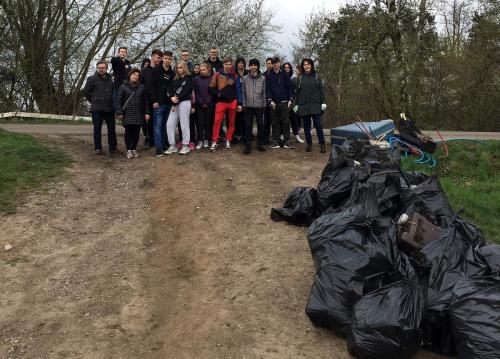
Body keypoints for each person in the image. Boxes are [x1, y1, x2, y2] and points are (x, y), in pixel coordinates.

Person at [83, 60, 118, 155]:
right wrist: (94, 100)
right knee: (97, 129)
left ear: (106, 68)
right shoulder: (92, 78)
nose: (101, 69)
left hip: (109, 108)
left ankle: (113, 148)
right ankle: (98, 148)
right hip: (97, 109)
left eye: (103, 67)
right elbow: (86, 92)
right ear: (97, 68)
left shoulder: (111, 79)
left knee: (111, 129)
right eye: (99, 68)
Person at [209, 57, 243, 152]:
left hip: (232, 102)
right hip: (221, 102)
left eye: (229, 64)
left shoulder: (235, 76)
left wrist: (239, 103)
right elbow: (211, 87)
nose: (228, 65)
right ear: (223, 64)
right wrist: (218, 94)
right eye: (226, 64)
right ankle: (215, 141)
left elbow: (238, 90)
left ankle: (228, 139)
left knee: (231, 123)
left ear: (232, 65)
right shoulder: (217, 74)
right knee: (217, 122)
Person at [294, 58, 327, 153]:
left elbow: (321, 91)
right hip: (304, 106)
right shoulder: (300, 78)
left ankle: (322, 144)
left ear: (311, 65)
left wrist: (323, 102)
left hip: (315, 105)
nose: (306, 66)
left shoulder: (317, 77)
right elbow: (298, 93)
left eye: (308, 64)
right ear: (302, 67)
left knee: (318, 125)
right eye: (304, 65)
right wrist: (296, 104)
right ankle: (309, 144)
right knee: (307, 127)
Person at [116, 69, 150, 158]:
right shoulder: (123, 86)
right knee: (128, 132)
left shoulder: (142, 87)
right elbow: (118, 100)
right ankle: (129, 150)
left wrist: (147, 112)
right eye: (134, 74)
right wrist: (119, 112)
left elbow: (146, 101)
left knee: (136, 133)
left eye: (137, 75)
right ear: (130, 75)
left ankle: (134, 149)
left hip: (139, 114)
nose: (135, 76)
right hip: (127, 114)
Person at [165, 61, 194, 155]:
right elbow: (169, 89)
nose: (179, 69)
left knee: (184, 124)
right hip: (175, 103)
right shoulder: (174, 78)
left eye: (181, 67)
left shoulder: (188, 78)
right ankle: (172, 145)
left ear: (184, 68)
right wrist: (171, 98)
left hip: (184, 103)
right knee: (169, 124)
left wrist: (175, 101)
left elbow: (184, 91)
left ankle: (185, 145)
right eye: (177, 68)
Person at [266, 56, 294, 149]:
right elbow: (268, 89)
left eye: (277, 62)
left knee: (286, 122)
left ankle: (287, 141)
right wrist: (270, 100)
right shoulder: (269, 75)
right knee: (275, 122)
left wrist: (291, 99)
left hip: (284, 102)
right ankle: (276, 141)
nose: (275, 64)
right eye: (273, 63)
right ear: (272, 64)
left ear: (279, 63)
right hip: (274, 103)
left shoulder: (285, 74)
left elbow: (290, 87)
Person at [150, 51, 174, 156]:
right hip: (158, 104)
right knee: (157, 126)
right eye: (165, 58)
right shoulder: (156, 71)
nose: (167, 60)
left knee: (166, 126)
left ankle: (164, 145)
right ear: (162, 59)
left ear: (171, 60)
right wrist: (154, 100)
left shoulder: (172, 73)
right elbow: (151, 87)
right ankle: (158, 148)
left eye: (169, 59)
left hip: (169, 103)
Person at [241, 58, 266, 154]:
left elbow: (264, 93)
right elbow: (243, 92)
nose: (253, 67)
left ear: (258, 66)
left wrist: (264, 104)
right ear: (249, 66)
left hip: (259, 106)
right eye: (251, 65)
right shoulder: (245, 78)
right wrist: (243, 104)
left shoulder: (263, 78)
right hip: (248, 106)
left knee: (260, 125)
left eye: (255, 65)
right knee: (248, 125)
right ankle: (248, 144)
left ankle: (259, 144)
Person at [141, 49, 163, 149]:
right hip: (147, 100)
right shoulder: (144, 71)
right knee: (148, 122)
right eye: (158, 58)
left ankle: (158, 140)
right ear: (153, 57)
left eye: (160, 58)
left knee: (159, 122)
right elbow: (142, 86)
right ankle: (149, 140)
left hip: (159, 101)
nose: (159, 60)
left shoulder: (161, 69)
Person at [193, 62, 214, 149]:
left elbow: (212, 92)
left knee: (208, 123)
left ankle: (206, 139)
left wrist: (207, 102)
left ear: (208, 69)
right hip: (199, 105)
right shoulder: (196, 79)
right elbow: (195, 93)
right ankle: (200, 140)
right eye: (200, 70)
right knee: (200, 123)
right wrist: (201, 102)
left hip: (209, 104)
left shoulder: (212, 79)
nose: (202, 71)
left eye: (204, 69)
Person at [283, 62, 304, 144]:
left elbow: (296, 91)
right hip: (282, 102)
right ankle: (282, 135)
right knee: (283, 120)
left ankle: (297, 135)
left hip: (291, 102)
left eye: (288, 68)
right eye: (285, 68)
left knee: (293, 119)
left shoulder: (293, 79)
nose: (286, 69)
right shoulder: (280, 77)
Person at [234, 57, 248, 143]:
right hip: (236, 98)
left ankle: (244, 135)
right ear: (236, 64)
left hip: (246, 98)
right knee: (237, 118)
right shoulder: (234, 73)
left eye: (242, 62)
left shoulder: (247, 73)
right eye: (239, 63)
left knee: (245, 118)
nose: (241, 64)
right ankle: (236, 135)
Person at [262, 57, 274, 144]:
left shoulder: (276, 74)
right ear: (266, 64)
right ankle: (265, 138)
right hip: (265, 100)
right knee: (266, 121)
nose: (270, 65)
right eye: (268, 63)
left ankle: (275, 138)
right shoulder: (263, 75)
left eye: (271, 63)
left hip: (274, 100)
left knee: (275, 120)